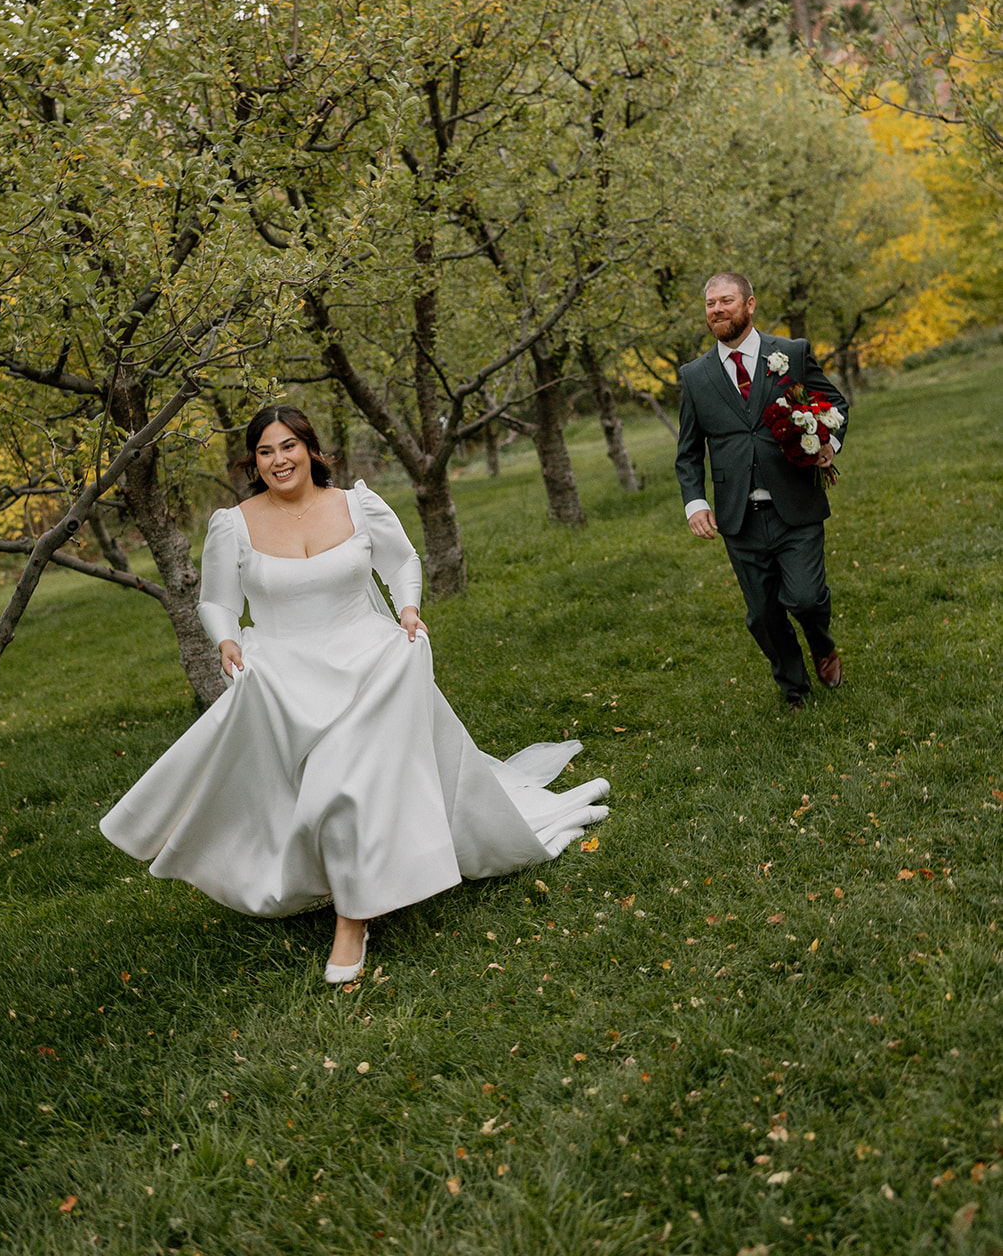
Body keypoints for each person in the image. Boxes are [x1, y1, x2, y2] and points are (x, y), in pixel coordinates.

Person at [101, 405, 608, 983]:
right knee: (329, 788)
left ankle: (353, 918)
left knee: (342, 783)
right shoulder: (233, 524)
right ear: (253, 462)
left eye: (288, 446)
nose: (278, 460)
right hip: (285, 670)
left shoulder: (357, 504)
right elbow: (216, 599)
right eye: (265, 452)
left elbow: (402, 562)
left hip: (368, 659)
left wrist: (409, 610)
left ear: (311, 450)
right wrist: (224, 641)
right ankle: (351, 886)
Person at [674, 273, 849, 709]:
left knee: (806, 597)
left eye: (726, 301)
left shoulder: (790, 353)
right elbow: (689, 451)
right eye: (711, 303)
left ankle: (821, 643)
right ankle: (794, 688)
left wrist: (828, 442)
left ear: (749, 304)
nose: (717, 309)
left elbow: (836, 403)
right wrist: (695, 503)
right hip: (739, 516)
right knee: (764, 616)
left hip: (796, 501)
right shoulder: (695, 376)